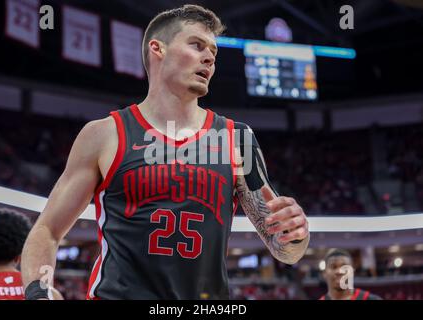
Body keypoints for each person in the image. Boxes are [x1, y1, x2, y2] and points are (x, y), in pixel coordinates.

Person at [21, 4, 309, 300]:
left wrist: (296, 234)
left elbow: (284, 248)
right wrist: (38, 291)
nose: (209, 57)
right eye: (197, 45)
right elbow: (47, 231)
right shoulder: (104, 134)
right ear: (157, 49)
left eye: (213, 52)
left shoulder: (238, 138)